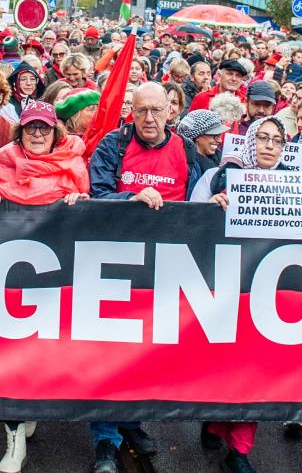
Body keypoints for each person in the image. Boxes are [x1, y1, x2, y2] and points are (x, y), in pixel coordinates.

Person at [84, 82, 192, 472]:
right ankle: (105, 440)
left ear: (170, 112)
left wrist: (217, 201)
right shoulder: (113, 145)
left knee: (147, 354)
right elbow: (95, 194)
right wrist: (129, 199)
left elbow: (199, 199)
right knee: (111, 354)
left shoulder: (185, 149)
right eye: (141, 110)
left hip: (164, 269)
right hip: (115, 266)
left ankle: (131, 421)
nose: (148, 118)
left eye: (156, 110)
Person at [189, 115, 290, 473]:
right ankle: (215, 420)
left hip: (265, 294)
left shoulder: (293, 184)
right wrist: (210, 209)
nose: (269, 146)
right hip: (223, 290)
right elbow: (186, 223)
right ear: (250, 141)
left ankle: (240, 450)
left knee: (257, 368)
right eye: (262, 137)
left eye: (277, 140)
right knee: (223, 364)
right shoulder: (217, 177)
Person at [177, 109, 231, 179]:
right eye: (214, 135)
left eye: (219, 135)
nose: (220, 140)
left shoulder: (219, 158)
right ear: (197, 137)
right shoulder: (185, 166)